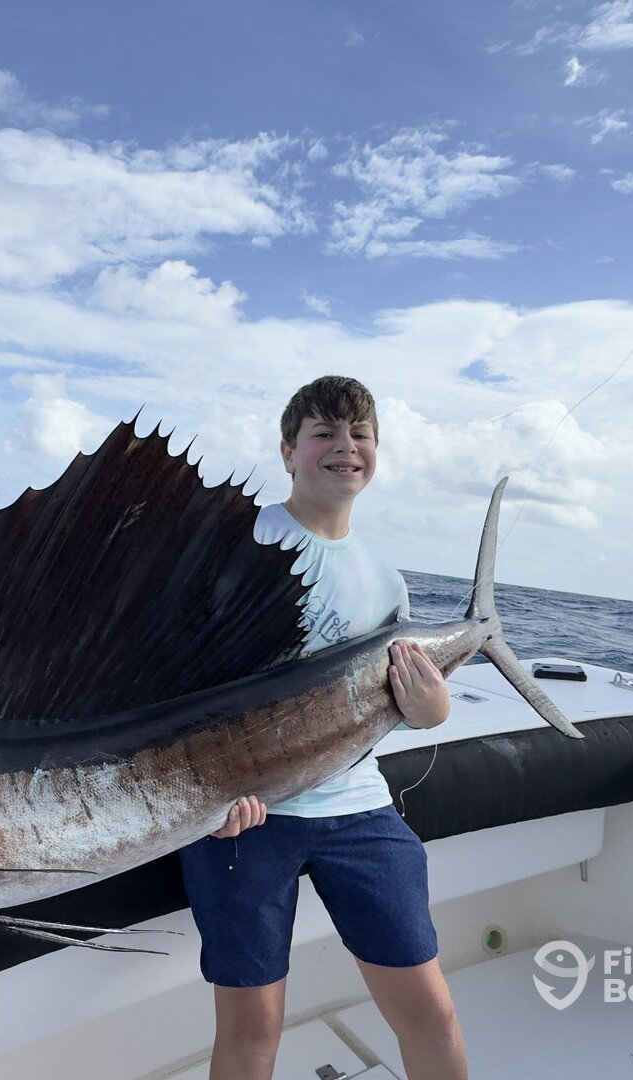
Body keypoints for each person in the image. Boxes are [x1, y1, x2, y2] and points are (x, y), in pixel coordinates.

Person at [179, 376, 467, 1080]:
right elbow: (177, 685)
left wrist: (432, 710)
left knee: (431, 1016)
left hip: (360, 812)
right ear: (288, 452)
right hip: (246, 821)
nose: (346, 446)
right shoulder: (236, 545)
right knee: (252, 1035)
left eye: (360, 434)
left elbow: (401, 705)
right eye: (324, 433)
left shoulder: (386, 580)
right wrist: (202, 801)